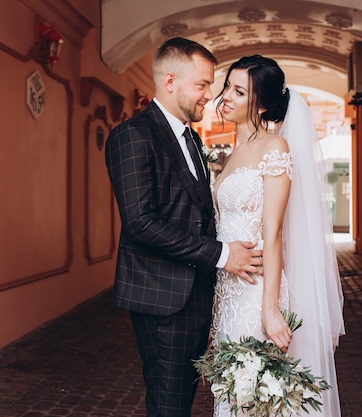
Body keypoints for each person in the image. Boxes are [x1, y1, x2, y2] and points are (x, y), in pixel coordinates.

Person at [104, 38, 263, 417]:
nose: (211, 94)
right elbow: (142, 223)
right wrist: (223, 255)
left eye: (211, 85)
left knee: (180, 399)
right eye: (203, 84)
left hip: (195, 293)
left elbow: (197, 212)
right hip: (161, 295)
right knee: (169, 402)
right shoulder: (132, 136)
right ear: (170, 81)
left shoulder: (190, 137)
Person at [210, 55, 346, 416]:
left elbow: (273, 234)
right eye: (227, 86)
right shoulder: (234, 154)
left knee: (260, 403)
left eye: (240, 91)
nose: (227, 96)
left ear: (264, 104)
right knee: (234, 400)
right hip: (228, 295)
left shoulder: (275, 149)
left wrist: (270, 311)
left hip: (258, 294)